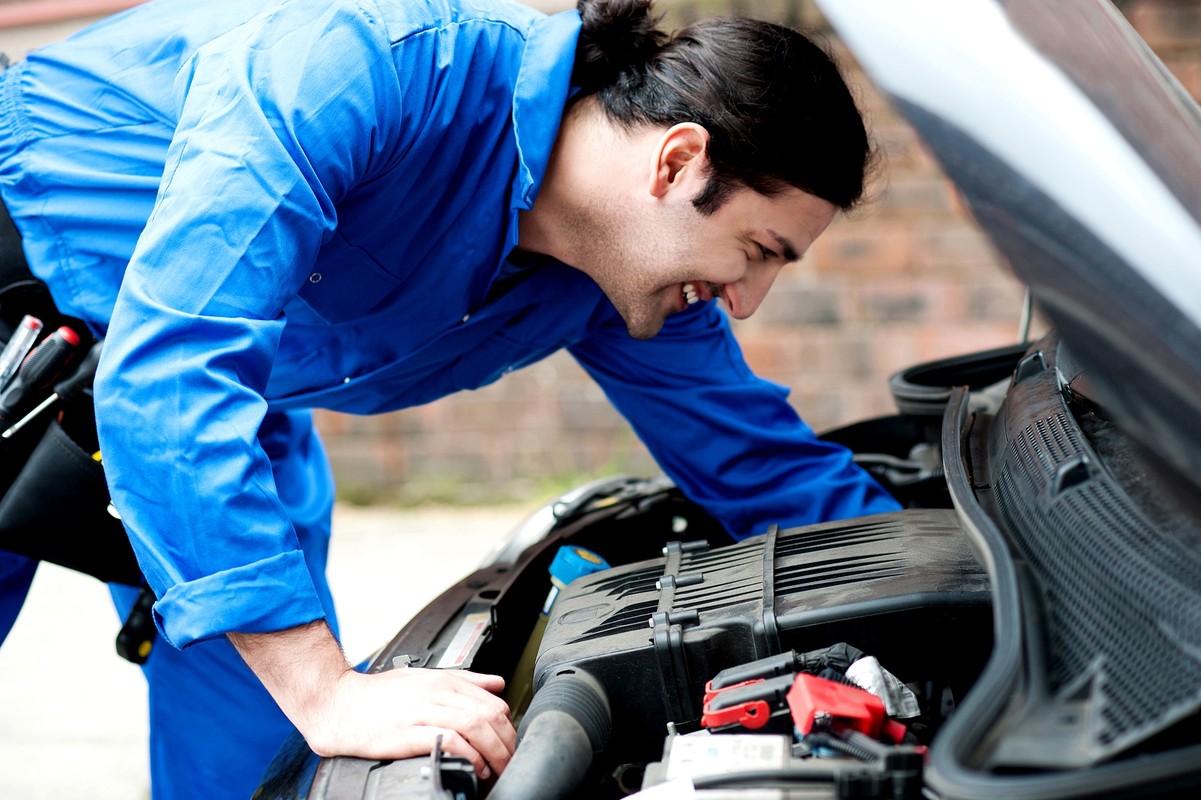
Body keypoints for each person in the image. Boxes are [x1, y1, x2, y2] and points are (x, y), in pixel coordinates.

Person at [0, 0, 901, 796]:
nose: (746, 298)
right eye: (758, 250)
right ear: (677, 161)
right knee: (308, 688)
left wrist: (920, 587)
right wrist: (323, 686)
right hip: (32, 299)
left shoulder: (619, 275)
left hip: (225, 405)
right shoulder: (374, 65)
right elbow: (177, 367)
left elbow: (759, 462)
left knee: (261, 754)